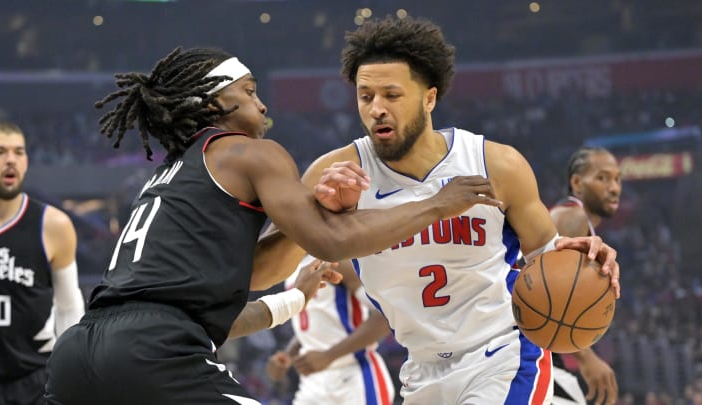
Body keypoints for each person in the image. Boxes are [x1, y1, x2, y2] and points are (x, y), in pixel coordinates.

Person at [44, 46, 504, 405]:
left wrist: (300, 286)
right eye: (248, 91)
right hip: (152, 351)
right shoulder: (248, 151)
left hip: (78, 356)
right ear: (213, 101)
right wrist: (436, 205)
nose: (262, 105)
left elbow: (252, 277)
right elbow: (328, 241)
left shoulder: (172, 174)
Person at [263, 17, 622, 404]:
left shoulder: (495, 165)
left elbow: (551, 268)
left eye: (392, 95)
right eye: (366, 97)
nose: (377, 109)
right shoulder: (336, 173)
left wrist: (587, 263)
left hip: (501, 356)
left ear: (429, 98)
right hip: (421, 369)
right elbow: (263, 271)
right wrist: (314, 212)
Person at [0, 122, 84, 405]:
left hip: (34, 380)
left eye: (19, 152)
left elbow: (69, 306)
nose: (11, 160)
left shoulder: (53, 225)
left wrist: (71, 373)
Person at [266, 255, 394, 405]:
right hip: (313, 381)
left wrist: (328, 356)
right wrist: (289, 354)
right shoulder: (290, 270)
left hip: (355, 377)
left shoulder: (337, 260)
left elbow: (387, 316)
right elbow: (316, 324)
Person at [548, 146, 621, 405]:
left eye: (617, 179)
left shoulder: (582, 223)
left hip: (540, 349)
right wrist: (586, 357)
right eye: (602, 178)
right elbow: (532, 291)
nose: (614, 188)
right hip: (523, 349)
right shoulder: (571, 216)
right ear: (577, 183)